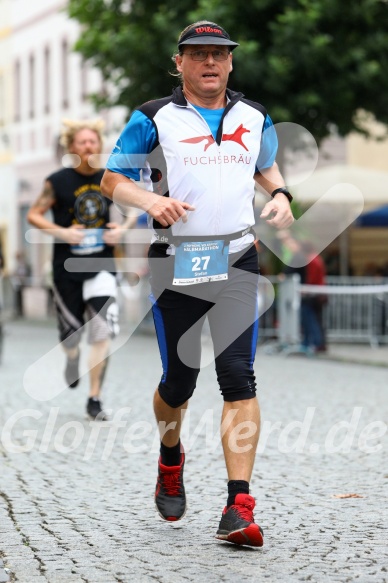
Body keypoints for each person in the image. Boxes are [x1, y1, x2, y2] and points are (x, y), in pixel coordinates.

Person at [101, 21, 294, 546]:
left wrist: (282, 196)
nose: (210, 62)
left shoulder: (255, 117)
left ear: (230, 63)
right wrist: (151, 201)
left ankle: (239, 505)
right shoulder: (152, 117)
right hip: (176, 262)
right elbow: (112, 178)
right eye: (198, 54)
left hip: (237, 258)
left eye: (219, 54)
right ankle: (170, 456)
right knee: (178, 384)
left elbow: (267, 169)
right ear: (179, 62)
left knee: (239, 377)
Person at [27, 119, 134, 420]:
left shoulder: (109, 178)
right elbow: (34, 215)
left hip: (102, 264)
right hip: (66, 268)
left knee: (102, 333)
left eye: (93, 142)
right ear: (72, 148)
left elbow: (132, 209)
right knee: (71, 336)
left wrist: (120, 228)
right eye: (82, 142)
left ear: (99, 145)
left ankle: (94, 397)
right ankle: (72, 360)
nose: (89, 147)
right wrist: (62, 232)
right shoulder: (57, 181)